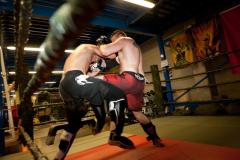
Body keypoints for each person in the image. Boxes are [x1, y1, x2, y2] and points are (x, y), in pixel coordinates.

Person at [55, 44, 134, 160]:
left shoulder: (79, 56)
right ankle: (115, 135)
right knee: (117, 94)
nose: (94, 62)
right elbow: (108, 53)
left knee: (74, 125)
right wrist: (120, 54)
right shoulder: (90, 47)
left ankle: (58, 157)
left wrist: (99, 125)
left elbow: (88, 78)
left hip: (64, 87)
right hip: (74, 78)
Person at [97, 30, 164, 147]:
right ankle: (155, 138)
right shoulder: (135, 47)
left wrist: (101, 44)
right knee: (137, 112)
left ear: (118, 37)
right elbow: (138, 67)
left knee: (96, 79)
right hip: (139, 82)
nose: (114, 43)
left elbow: (105, 50)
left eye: (113, 41)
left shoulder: (123, 40)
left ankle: (114, 135)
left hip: (128, 79)